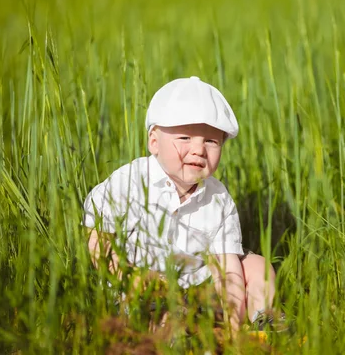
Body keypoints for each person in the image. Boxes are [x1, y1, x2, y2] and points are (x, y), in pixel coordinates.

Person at [83, 76, 277, 332]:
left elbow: (227, 267)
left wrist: (233, 321)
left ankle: (261, 322)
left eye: (211, 141)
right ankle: (172, 333)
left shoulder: (218, 199)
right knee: (160, 314)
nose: (199, 149)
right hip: (143, 286)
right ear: (154, 141)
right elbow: (98, 240)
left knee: (256, 266)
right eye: (185, 137)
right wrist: (126, 275)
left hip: (198, 287)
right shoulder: (127, 183)